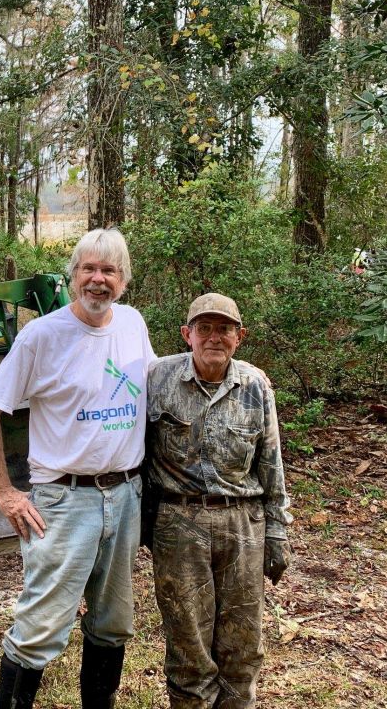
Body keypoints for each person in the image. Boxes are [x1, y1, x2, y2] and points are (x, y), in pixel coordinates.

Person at [0, 228, 156, 709]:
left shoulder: (133, 324)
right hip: (63, 500)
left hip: (125, 495)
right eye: (89, 270)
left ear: (124, 279)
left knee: (113, 623)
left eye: (109, 271)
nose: (98, 280)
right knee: (40, 629)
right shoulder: (42, 336)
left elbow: (151, 391)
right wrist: (4, 491)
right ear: (72, 275)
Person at [145, 293, 292, 709]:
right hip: (178, 524)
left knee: (243, 647)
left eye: (224, 329)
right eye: (204, 328)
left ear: (239, 337)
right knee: (189, 649)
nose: (214, 337)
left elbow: (271, 465)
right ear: (186, 334)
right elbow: (132, 450)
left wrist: (278, 534)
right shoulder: (158, 379)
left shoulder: (256, 385)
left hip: (243, 525)